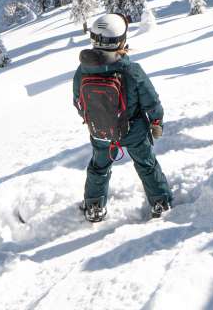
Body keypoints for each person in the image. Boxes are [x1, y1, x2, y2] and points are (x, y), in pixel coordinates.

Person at [73, 13, 172, 222]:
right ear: (121, 40)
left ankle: (94, 207)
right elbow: (151, 101)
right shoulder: (131, 70)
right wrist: (156, 122)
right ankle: (160, 203)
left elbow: (78, 102)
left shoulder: (82, 71)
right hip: (133, 129)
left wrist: (95, 119)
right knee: (146, 164)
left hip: (100, 131)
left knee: (99, 168)